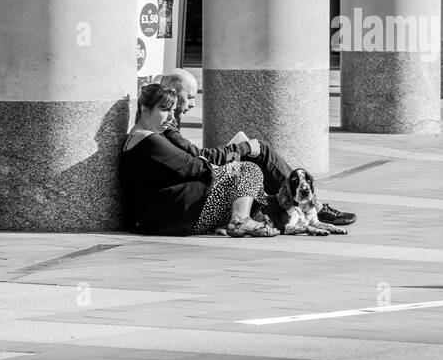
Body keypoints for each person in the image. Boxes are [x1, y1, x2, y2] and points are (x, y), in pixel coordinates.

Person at [150, 69, 356, 227]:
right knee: (259, 153)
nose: (193, 104)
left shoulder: (164, 125)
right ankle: (313, 207)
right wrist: (241, 148)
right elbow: (199, 157)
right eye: (191, 97)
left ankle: (308, 206)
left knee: (258, 152)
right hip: (198, 190)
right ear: (174, 95)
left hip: (196, 185)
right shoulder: (165, 127)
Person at [121, 82, 276, 237]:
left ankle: (244, 218)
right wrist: (229, 163)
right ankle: (241, 219)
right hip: (168, 218)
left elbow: (190, 164)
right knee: (247, 169)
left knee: (243, 182)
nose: (171, 116)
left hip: (164, 216)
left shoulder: (144, 136)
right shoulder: (147, 138)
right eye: (165, 109)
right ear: (144, 110)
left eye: (172, 110)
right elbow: (195, 166)